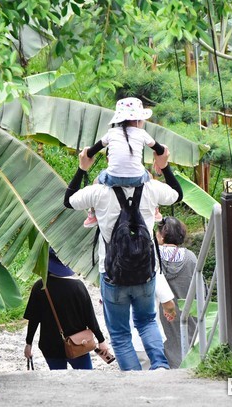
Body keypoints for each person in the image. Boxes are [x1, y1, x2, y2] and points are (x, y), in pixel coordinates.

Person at [64, 143, 183, 371]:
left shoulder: (98, 191)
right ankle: (159, 367)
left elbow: (68, 200)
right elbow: (178, 195)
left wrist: (82, 168)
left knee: (120, 333)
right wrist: (164, 166)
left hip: (112, 274)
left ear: (111, 161)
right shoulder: (151, 188)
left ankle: (134, 379)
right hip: (145, 272)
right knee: (147, 321)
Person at [83, 97, 165, 228]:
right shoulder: (142, 133)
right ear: (138, 120)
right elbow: (160, 150)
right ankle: (155, 209)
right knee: (149, 177)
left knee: (96, 181)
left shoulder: (111, 133)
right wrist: (160, 154)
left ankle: (92, 214)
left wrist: (87, 153)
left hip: (112, 178)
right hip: (137, 179)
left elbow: (92, 151)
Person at [23, 247, 111, 370]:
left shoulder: (39, 287)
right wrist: (101, 341)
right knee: (85, 381)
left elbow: (33, 320)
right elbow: (90, 318)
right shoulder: (77, 287)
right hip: (79, 344)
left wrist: (29, 344)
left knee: (59, 384)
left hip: (50, 346)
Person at [156, 217, 197, 368]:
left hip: (160, 314)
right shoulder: (190, 258)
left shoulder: (153, 256)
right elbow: (201, 291)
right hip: (186, 312)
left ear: (161, 235)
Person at [131, 272, 176, 370]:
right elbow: (168, 302)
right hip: (149, 340)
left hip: (122, 343)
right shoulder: (151, 265)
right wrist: (170, 311)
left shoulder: (110, 268)